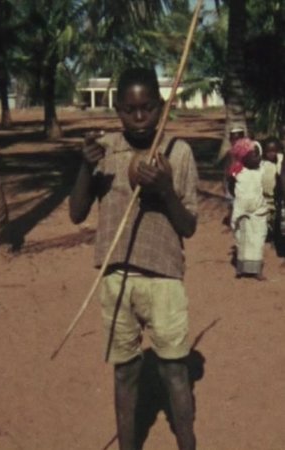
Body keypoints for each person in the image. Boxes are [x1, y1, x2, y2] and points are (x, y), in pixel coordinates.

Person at [69, 67, 198, 450]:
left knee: (174, 370)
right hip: (115, 280)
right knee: (124, 374)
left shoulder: (178, 152)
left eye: (147, 108)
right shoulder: (106, 150)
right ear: (117, 109)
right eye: (129, 109)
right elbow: (77, 213)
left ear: (161, 107)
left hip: (164, 279)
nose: (139, 118)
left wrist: (164, 191)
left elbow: (188, 226)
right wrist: (83, 166)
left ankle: (188, 443)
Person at [227, 137, 268, 280]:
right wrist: (238, 200)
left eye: (258, 155)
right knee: (241, 237)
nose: (257, 158)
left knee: (257, 238)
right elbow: (231, 187)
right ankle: (241, 268)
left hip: (258, 211)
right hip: (241, 210)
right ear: (243, 157)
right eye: (253, 155)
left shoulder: (261, 170)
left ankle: (257, 270)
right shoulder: (238, 172)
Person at [261, 137, 284, 241]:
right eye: (268, 151)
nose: (271, 154)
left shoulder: (281, 162)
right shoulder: (262, 165)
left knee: (278, 219)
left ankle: (277, 235)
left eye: (274, 150)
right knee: (266, 219)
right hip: (265, 198)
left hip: (278, 197)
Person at [222, 127, 245, 227]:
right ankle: (232, 220)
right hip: (230, 180)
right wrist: (224, 181)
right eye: (233, 139)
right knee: (231, 202)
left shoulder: (246, 153)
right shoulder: (229, 153)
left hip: (241, 180)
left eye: (238, 139)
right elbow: (226, 168)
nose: (235, 141)